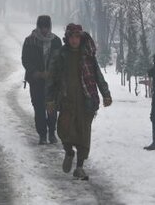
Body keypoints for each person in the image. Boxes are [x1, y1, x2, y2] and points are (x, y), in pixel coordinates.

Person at [46, 24, 112, 180]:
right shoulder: (60, 55)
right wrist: (49, 100)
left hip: (86, 101)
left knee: (84, 133)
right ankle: (69, 152)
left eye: (77, 37)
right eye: (72, 37)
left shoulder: (87, 55)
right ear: (67, 38)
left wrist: (106, 94)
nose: (74, 40)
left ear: (80, 38)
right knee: (64, 130)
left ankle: (80, 167)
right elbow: (52, 78)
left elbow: (98, 75)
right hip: (66, 100)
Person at [22, 15, 62, 145]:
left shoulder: (56, 41)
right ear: (38, 26)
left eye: (46, 27)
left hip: (52, 81)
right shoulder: (29, 41)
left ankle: (51, 132)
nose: (44, 30)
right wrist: (36, 73)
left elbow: (60, 60)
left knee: (52, 107)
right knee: (39, 108)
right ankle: (42, 134)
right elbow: (25, 60)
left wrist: (53, 73)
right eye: (42, 27)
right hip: (36, 80)